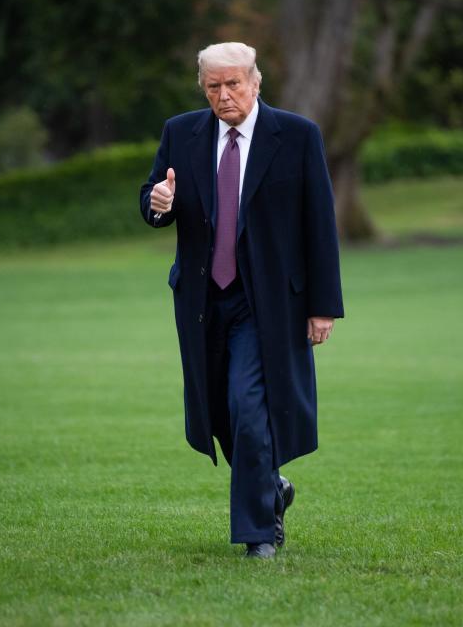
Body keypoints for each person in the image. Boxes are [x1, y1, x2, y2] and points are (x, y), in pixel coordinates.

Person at [139, 42, 344, 559]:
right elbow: (153, 198)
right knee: (219, 413)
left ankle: (259, 534)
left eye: (234, 84)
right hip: (203, 301)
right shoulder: (180, 133)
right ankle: (271, 487)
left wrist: (324, 305)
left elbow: (319, 225)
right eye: (214, 87)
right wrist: (157, 203)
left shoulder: (297, 136)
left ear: (255, 82)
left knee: (250, 409)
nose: (224, 95)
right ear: (203, 89)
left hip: (268, 303)